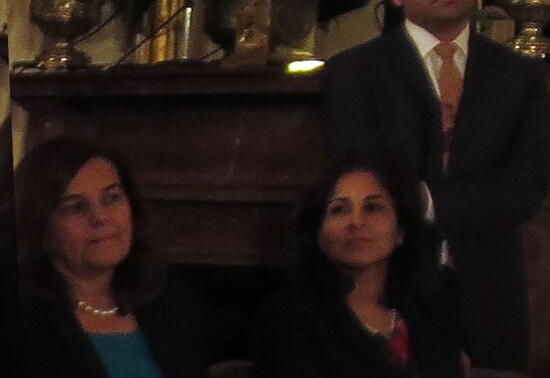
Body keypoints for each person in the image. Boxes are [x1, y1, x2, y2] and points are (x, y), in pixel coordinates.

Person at [320, 0, 550, 369]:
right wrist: (434, 201)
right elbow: (361, 178)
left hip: (490, 296)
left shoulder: (518, 75)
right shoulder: (355, 73)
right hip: (388, 291)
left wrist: (423, 199)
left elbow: (527, 184)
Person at [6, 136, 211, 378]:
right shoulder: (19, 318)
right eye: (75, 207)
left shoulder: (173, 301)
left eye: (111, 198)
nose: (100, 217)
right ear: (40, 225)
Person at [253, 159, 464, 378]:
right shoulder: (288, 316)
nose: (356, 221)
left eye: (373, 207)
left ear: (400, 231)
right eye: (339, 210)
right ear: (318, 234)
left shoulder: (431, 313)